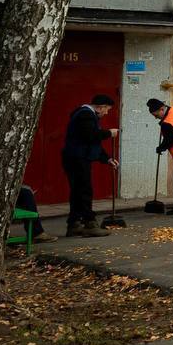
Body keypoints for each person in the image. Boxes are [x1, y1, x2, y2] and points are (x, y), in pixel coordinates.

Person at [61, 94, 118, 238]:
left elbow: (93, 143)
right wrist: (108, 133)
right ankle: (90, 223)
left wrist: (107, 159)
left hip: (77, 157)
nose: (106, 113)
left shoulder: (86, 115)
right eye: (107, 110)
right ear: (100, 107)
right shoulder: (85, 115)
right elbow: (91, 136)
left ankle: (74, 223)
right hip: (78, 158)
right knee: (84, 190)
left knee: (78, 191)